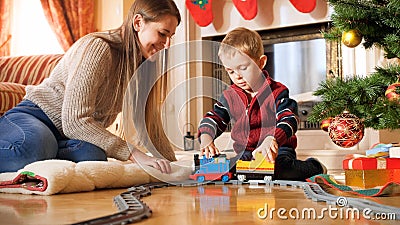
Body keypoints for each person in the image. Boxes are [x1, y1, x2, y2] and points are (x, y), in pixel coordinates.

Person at [0, 0, 181, 174]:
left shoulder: (143, 66)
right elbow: (75, 121)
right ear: (138, 22)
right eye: (162, 34)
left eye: (170, 37)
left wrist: (174, 167)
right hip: (36, 115)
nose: (167, 45)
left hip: (67, 136)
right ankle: (41, 149)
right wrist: (134, 154)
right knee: (35, 146)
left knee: (93, 156)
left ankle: (48, 151)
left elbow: (150, 123)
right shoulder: (98, 48)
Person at [198, 27, 326, 181]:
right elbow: (214, 118)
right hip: (245, 152)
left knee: (280, 171)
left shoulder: (278, 92)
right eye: (230, 71)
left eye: (243, 68)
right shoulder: (230, 96)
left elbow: (289, 119)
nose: (237, 76)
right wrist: (206, 138)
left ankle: (315, 166)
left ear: (261, 63)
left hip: (277, 150)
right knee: (224, 168)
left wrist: (272, 138)